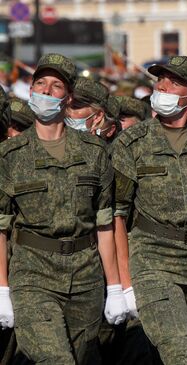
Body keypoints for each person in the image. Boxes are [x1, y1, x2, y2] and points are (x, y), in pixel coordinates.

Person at [0, 53, 127, 364]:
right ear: (30, 91)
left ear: (67, 97)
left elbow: (104, 224)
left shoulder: (94, 152)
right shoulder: (10, 154)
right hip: (33, 274)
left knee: (81, 357)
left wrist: (115, 286)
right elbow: (1, 226)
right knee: (55, 359)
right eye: (40, 83)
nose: (46, 91)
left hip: (86, 276)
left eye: (56, 86)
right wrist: (2, 288)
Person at [111, 55, 187, 365]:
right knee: (178, 352)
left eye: (174, 82)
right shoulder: (133, 142)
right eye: (160, 80)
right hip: (154, 258)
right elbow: (118, 214)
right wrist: (125, 283)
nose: (162, 86)